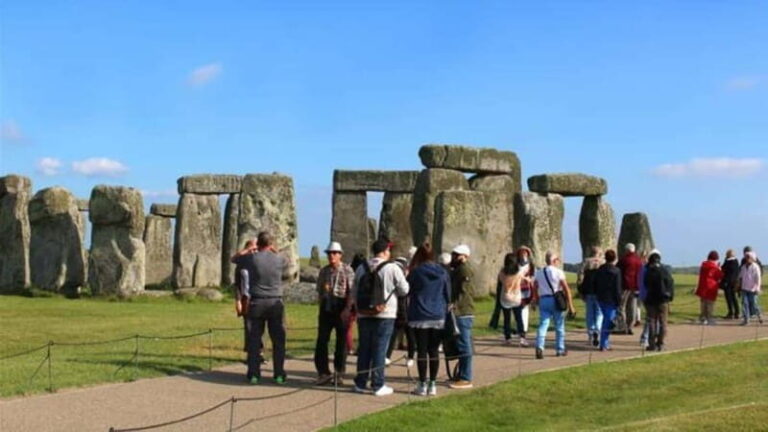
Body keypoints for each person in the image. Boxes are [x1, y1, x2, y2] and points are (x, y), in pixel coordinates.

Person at [348, 239, 409, 396]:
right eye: (389, 250)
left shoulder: (362, 268)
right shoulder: (392, 268)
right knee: (380, 349)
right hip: (385, 313)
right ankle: (378, 384)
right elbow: (404, 290)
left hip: (363, 313)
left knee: (365, 349)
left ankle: (360, 382)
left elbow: (354, 290)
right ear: (385, 251)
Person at [242, 232, 290, 384]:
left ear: (258, 244)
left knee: (254, 340)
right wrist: (275, 250)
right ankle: (279, 374)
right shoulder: (279, 259)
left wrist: (250, 249)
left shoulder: (251, 259)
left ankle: (254, 374)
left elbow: (235, 259)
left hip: (256, 301)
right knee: (278, 340)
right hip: (275, 301)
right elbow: (289, 270)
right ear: (271, 244)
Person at [406, 242, 450, 396]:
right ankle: (433, 384)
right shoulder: (443, 272)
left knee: (422, 351)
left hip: (419, 314)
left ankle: (422, 384)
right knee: (434, 351)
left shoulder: (416, 272)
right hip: (438, 314)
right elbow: (447, 294)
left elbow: (407, 290)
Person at [313, 241, 355, 386]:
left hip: (341, 306)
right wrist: (321, 307)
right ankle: (323, 372)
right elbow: (319, 291)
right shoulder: (324, 271)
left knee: (341, 342)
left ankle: (339, 372)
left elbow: (352, 292)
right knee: (321, 341)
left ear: (340, 255)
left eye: (334, 253)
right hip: (326, 306)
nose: (331, 256)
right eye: (329, 253)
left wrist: (347, 310)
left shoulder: (347, 270)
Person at [533, 251, 576, 359]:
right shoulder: (558, 272)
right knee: (559, 326)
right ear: (553, 260)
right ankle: (560, 349)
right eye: (557, 259)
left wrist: (536, 299)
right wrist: (571, 305)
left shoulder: (539, 272)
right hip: (556, 300)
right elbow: (566, 289)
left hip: (544, 299)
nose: (558, 261)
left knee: (543, 324)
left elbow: (535, 287)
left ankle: (539, 346)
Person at [448, 244, 475, 389]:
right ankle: (462, 374)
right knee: (461, 344)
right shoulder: (458, 269)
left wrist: (455, 305)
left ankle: (466, 378)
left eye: (457, 255)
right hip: (461, 311)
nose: (454, 257)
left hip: (463, 312)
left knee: (464, 345)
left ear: (465, 256)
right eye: (454, 254)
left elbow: (464, 291)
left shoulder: (464, 269)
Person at [386, 256, 415, 367]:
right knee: (392, 336)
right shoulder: (393, 278)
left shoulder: (410, 279)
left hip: (409, 312)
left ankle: (411, 357)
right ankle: (387, 356)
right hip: (396, 313)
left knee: (410, 337)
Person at [643, 250, 674, 351]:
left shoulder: (648, 271)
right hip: (663, 300)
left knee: (651, 321)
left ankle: (652, 344)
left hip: (651, 299)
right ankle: (660, 343)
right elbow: (670, 284)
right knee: (663, 322)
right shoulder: (665, 270)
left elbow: (646, 284)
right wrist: (670, 297)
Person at [594, 250, 622, 351]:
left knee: (606, 320)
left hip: (601, 297)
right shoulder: (616, 271)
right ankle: (603, 344)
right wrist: (619, 301)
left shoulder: (600, 269)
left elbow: (595, 283)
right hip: (611, 299)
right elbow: (617, 288)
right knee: (608, 321)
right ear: (614, 258)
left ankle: (605, 343)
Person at [498, 253, 527, 347]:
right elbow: (523, 279)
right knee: (519, 318)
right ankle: (522, 338)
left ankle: (508, 338)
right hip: (516, 297)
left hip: (505, 297)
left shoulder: (502, 272)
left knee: (507, 319)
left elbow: (500, 281)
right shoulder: (518, 272)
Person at [577, 246, 603, 347]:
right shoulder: (602, 262)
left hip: (588, 290)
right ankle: (598, 330)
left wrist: (580, 288)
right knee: (599, 313)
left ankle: (591, 334)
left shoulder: (586, 262)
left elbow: (580, 275)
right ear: (599, 253)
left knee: (589, 314)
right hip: (600, 290)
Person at [617, 243, 643, 334]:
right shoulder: (639, 261)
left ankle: (622, 327)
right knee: (632, 307)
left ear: (627, 250)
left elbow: (618, 271)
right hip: (635, 287)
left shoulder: (623, 260)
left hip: (625, 286)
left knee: (621, 307)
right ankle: (630, 326)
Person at [695, 251, 723, 325]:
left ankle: (703, 318)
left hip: (702, 286)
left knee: (703, 303)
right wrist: (719, 268)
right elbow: (719, 276)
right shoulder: (714, 267)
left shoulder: (703, 265)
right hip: (711, 287)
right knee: (710, 304)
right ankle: (709, 318)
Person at [346, 253, 367, 355]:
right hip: (361, 301)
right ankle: (360, 348)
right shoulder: (363, 270)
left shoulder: (349, 269)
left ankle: (350, 347)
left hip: (351, 300)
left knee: (349, 327)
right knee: (361, 327)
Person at [738, 251, 763, 326]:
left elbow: (758, 278)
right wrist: (738, 285)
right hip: (744, 288)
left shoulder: (755, 267)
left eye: (748, 257)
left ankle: (759, 315)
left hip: (753, 289)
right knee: (744, 304)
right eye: (746, 257)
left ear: (752, 258)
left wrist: (758, 288)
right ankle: (746, 320)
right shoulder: (743, 267)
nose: (747, 258)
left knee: (754, 304)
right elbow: (740, 277)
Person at [516, 246, 535, 338]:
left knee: (525, 308)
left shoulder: (530, 265)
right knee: (518, 308)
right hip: (517, 288)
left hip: (527, 288)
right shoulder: (516, 264)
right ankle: (520, 327)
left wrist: (530, 280)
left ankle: (524, 328)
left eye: (525, 252)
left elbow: (532, 275)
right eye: (522, 253)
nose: (523, 254)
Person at [721, 249, 741, 319]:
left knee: (729, 298)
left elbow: (723, 269)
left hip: (728, 282)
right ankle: (737, 312)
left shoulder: (729, 262)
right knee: (734, 298)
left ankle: (731, 313)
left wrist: (725, 282)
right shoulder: (736, 261)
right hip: (734, 282)